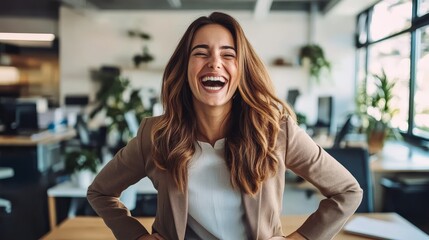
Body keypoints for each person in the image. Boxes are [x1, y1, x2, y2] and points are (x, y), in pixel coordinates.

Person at [87, 12, 363, 240]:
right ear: (184, 68)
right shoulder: (156, 135)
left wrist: (301, 239)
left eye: (228, 54)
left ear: (242, 70)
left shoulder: (277, 132)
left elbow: (347, 192)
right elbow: (100, 191)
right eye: (201, 53)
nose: (214, 63)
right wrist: (138, 237)